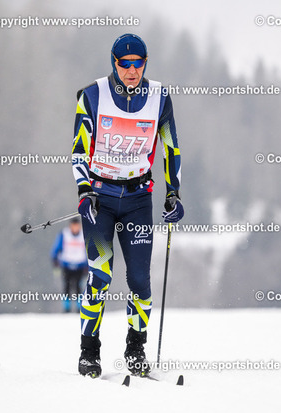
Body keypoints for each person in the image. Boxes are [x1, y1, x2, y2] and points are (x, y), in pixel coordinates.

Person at [71, 33, 183, 378]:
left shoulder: (160, 98)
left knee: (139, 280)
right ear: (114, 63)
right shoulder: (93, 96)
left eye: (138, 64)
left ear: (145, 64)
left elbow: (171, 148)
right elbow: (79, 149)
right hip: (100, 201)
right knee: (100, 276)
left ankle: (136, 349)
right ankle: (89, 352)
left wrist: (174, 193)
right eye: (125, 64)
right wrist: (84, 190)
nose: (132, 71)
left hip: (137, 201)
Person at [51, 217, 87, 313]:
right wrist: (54, 259)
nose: (75, 228)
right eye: (73, 226)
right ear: (70, 226)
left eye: (77, 225)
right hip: (66, 265)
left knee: (78, 287)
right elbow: (57, 247)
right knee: (66, 287)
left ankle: (79, 308)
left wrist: (88, 265)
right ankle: (66, 308)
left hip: (80, 266)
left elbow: (88, 250)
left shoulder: (84, 234)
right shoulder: (64, 234)